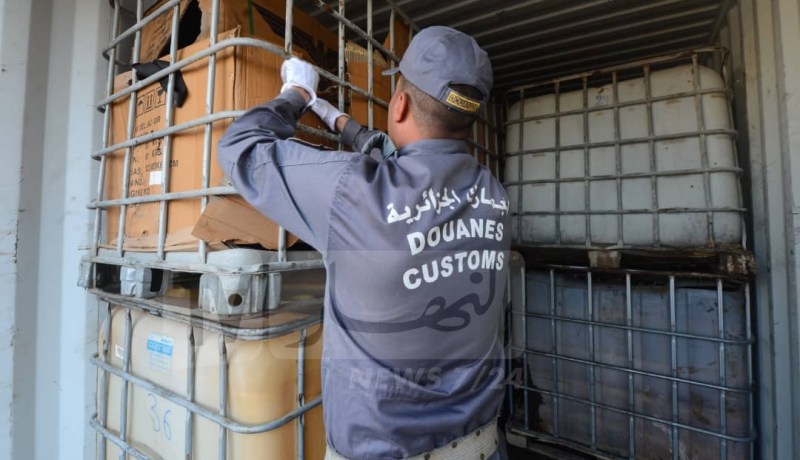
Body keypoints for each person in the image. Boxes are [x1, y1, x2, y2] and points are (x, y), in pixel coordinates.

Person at [218, 25, 510, 460]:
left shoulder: (352, 192)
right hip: (483, 446)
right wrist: (338, 120)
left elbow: (240, 147)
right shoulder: (493, 194)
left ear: (400, 104)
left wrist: (297, 94)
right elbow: (411, 177)